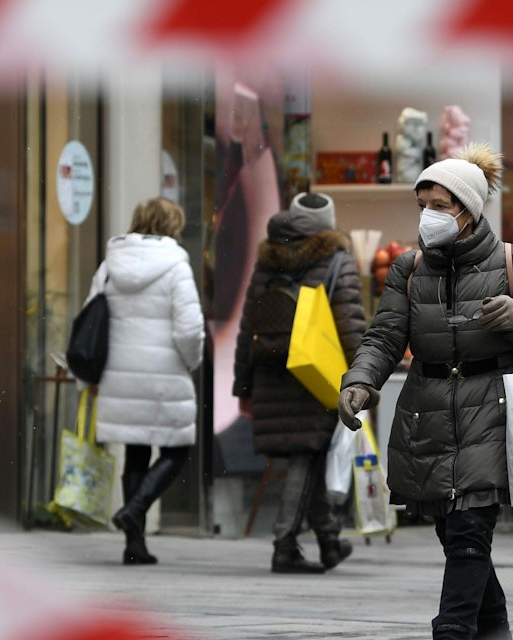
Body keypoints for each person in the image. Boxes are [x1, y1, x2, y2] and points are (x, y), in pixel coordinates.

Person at [337, 144, 513, 640]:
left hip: (492, 408)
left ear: (468, 209)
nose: (428, 216)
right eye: (423, 205)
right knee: (453, 534)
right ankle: (494, 627)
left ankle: (452, 630)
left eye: (440, 206)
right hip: (429, 411)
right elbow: (385, 336)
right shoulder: (409, 269)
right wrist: (360, 380)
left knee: (469, 531)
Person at [233, 192, 366, 574]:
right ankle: (284, 544)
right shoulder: (336, 260)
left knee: (309, 452)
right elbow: (350, 324)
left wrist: (243, 387)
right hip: (313, 371)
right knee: (305, 455)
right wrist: (362, 378)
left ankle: (327, 541)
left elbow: (247, 327)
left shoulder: (267, 259)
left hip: (269, 371)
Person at [82, 197, 205, 566]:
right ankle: (135, 509)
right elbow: (189, 329)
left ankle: (134, 544)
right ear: (172, 225)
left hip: (119, 373)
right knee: (176, 450)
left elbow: (91, 318)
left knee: (136, 451)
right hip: (164, 373)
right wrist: (191, 361)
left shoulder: (109, 266)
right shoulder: (176, 266)